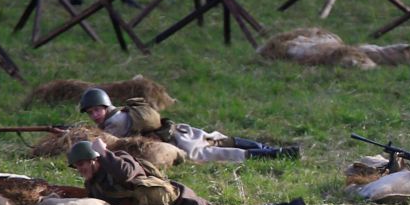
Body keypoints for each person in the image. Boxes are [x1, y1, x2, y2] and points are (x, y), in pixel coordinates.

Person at [64, 141, 314, 205]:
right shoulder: (94, 183)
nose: (82, 168)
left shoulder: (117, 161)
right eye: (78, 166)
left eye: (85, 162)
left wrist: (105, 152)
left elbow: (128, 175)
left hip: (179, 203)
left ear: (95, 159)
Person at [74, 86, 297, 163]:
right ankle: (271, 150)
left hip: (175, 144)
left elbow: (113, 144)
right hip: (181, 130)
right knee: (220, 139)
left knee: (224, 154)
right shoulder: (123, 112)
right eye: (91, 112)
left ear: (105, 106)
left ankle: (275, 154)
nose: (94, 115)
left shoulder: (114, 124)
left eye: (96, 110)